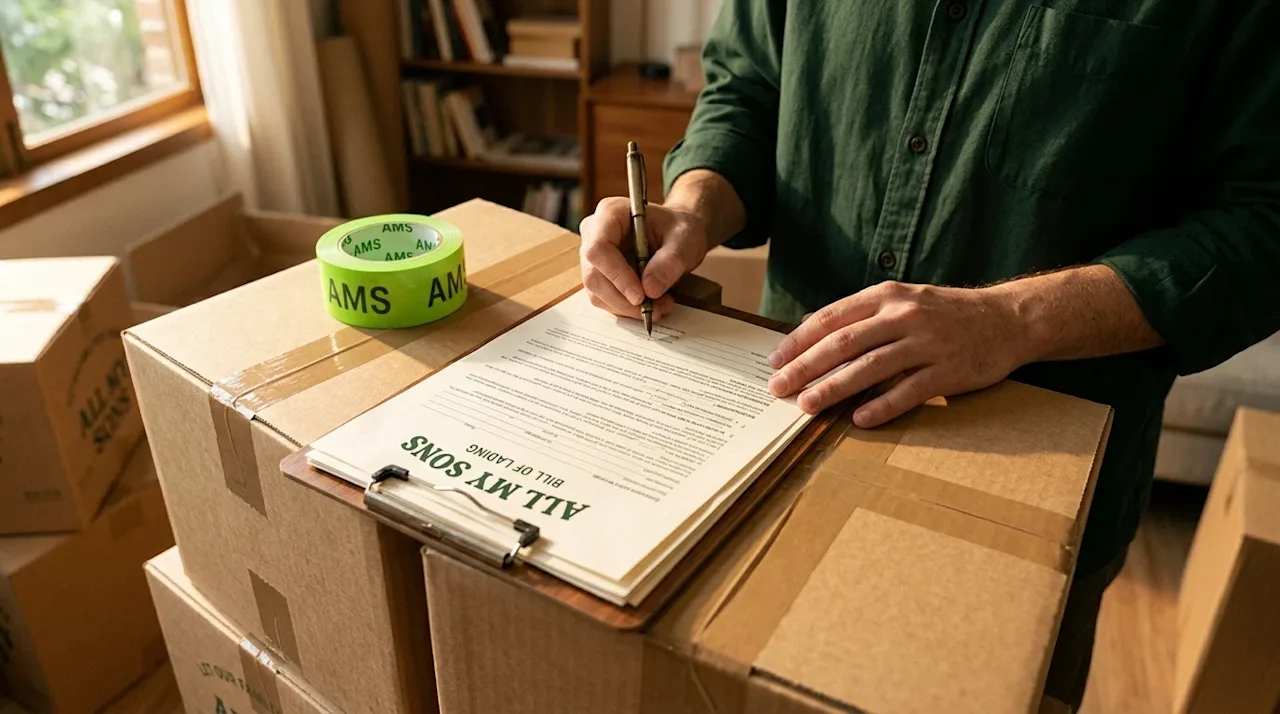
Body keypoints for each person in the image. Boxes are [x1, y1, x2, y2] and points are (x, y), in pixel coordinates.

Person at [578, 0, 1280, 707]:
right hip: (782, 438)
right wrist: (693, 207)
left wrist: (1009, 320)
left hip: (1028, 497)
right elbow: (750, 87)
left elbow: (1264, 219)